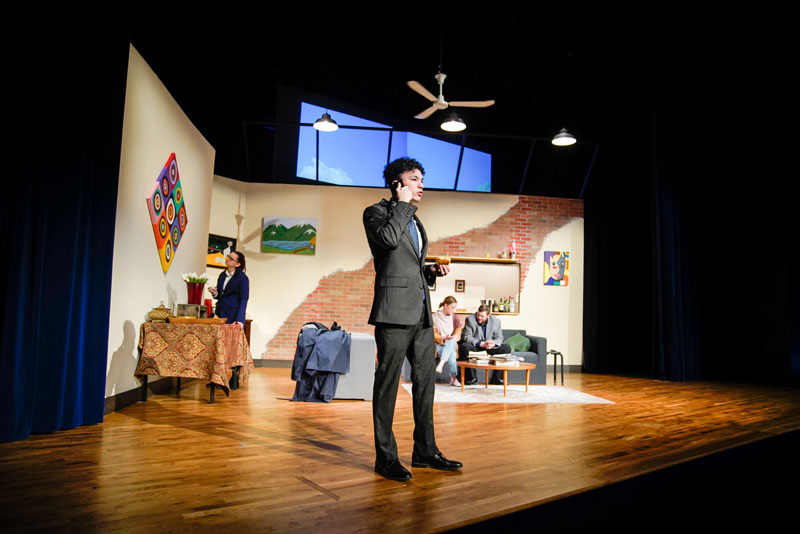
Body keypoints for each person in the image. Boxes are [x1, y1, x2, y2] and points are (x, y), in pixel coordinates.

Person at [363, 157, 463, 481]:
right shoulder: (376, 213)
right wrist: (403, 206)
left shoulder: (417, 223)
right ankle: (386, 458)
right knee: (388, 386)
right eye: (415, 179)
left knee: (425, 384)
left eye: (422, 179)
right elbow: (389, 242)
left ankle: (425, 451)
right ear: (397, 184)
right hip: (392, 314)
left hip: (421, 317)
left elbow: (409, 266)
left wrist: (431, 271)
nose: (422, 185)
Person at [458, 305, 511, 385]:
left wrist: (493, 343)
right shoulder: (470, 319)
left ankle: (497, 378)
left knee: (506, 347)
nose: (479, 318)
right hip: (477, 347)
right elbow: (466, 337)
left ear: (488, 315)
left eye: (482, 316)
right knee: (464, 347)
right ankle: (471, 378)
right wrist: (481, 343)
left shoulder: (496, 321)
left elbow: (500, 338)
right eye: (478, 315)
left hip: (490, 347)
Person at [208, 250, 249, 327]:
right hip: (219, 314)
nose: (228, 259)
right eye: (228, 257)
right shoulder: (222, 275)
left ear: (237, 264)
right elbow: (221, 296)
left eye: (231, 258)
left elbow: (244, 299)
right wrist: (215, 293)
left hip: (233, 315)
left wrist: (239, 320)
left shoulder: (242, 278)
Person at [432, 296, 462, 387]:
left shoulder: (454, 318)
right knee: (451, 352)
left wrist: (454, 337)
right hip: (440, 345)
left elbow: (458, 332)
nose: (453, 310)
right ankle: (453, 378)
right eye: (452, 308)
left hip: (451, 343)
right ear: (445, 305)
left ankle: (441, 364)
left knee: (451, 342)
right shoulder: (434, 317)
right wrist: (443, 338)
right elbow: (433, 334)